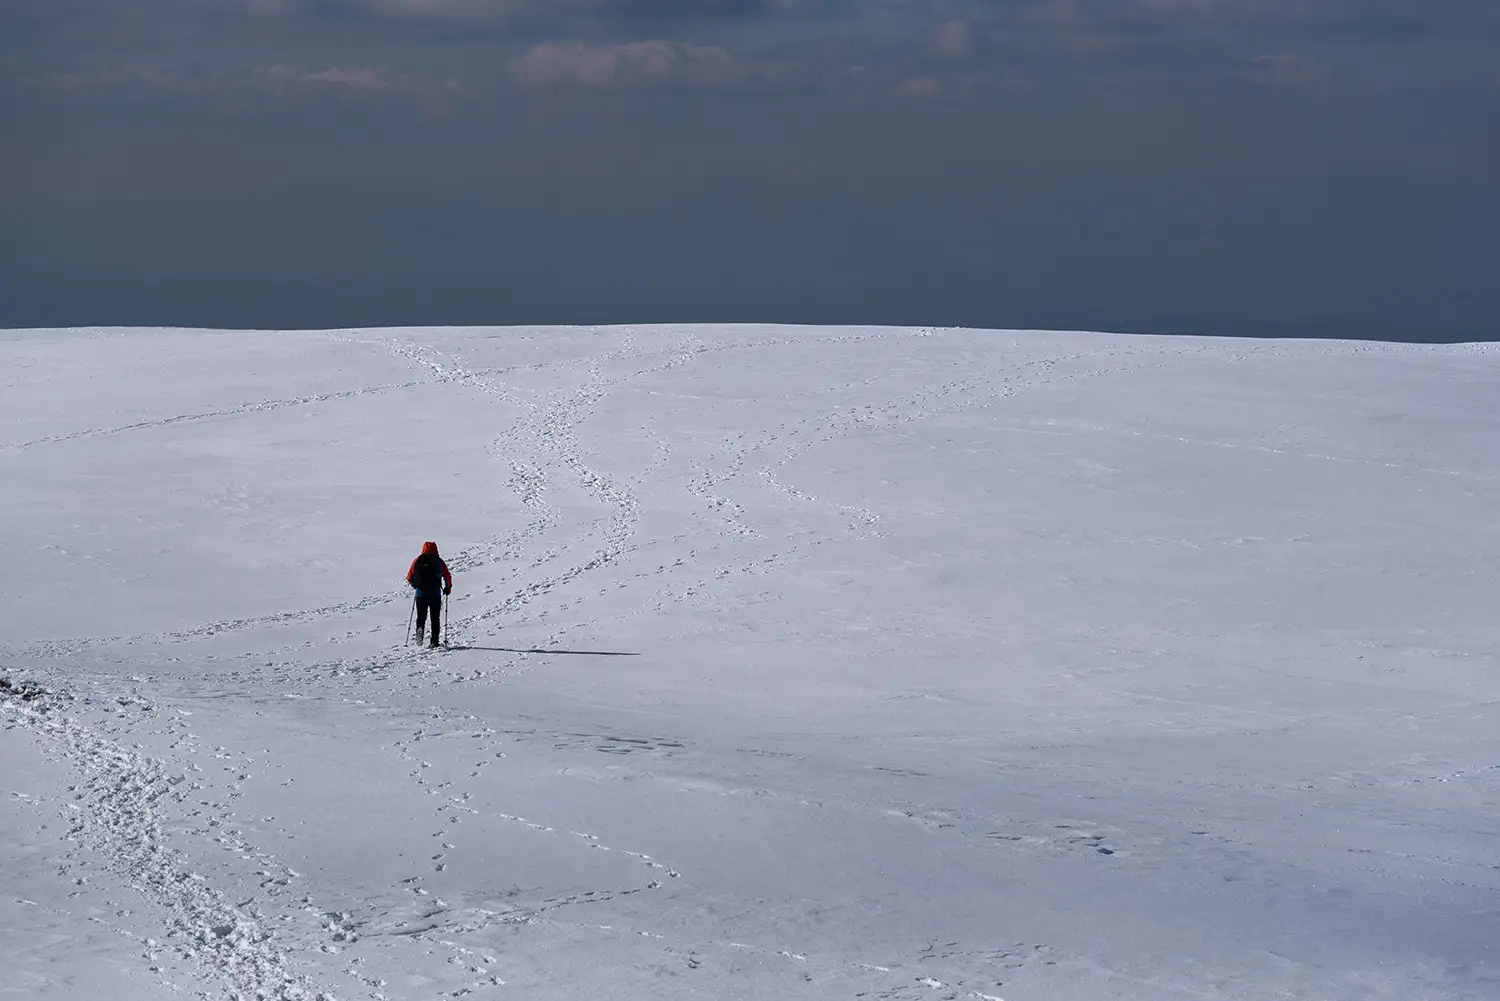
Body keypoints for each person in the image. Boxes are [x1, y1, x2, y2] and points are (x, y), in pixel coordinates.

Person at [406, 541, 452, 647]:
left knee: (421, 617)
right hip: (435, 594)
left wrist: (415, 585)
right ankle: (434, 641)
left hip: (420, 594)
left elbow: (409, 577)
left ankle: (419, 633)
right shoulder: (439, 562)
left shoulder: (417, 560)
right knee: (435, 619)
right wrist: (448, 588)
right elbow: (447, 576)